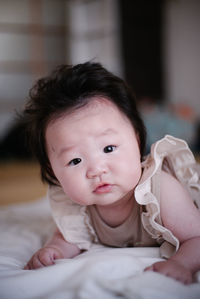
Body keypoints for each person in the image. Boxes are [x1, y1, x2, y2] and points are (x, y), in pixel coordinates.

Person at [23, 62, 200, 285]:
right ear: (53, 171)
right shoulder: (74, 206)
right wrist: (55, 248)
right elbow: (70, 236)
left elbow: (196, 237)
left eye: (109, 148)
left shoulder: (160, 190)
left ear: (136, 140)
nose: (97, 170)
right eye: (75, 160)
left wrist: (181, 263)